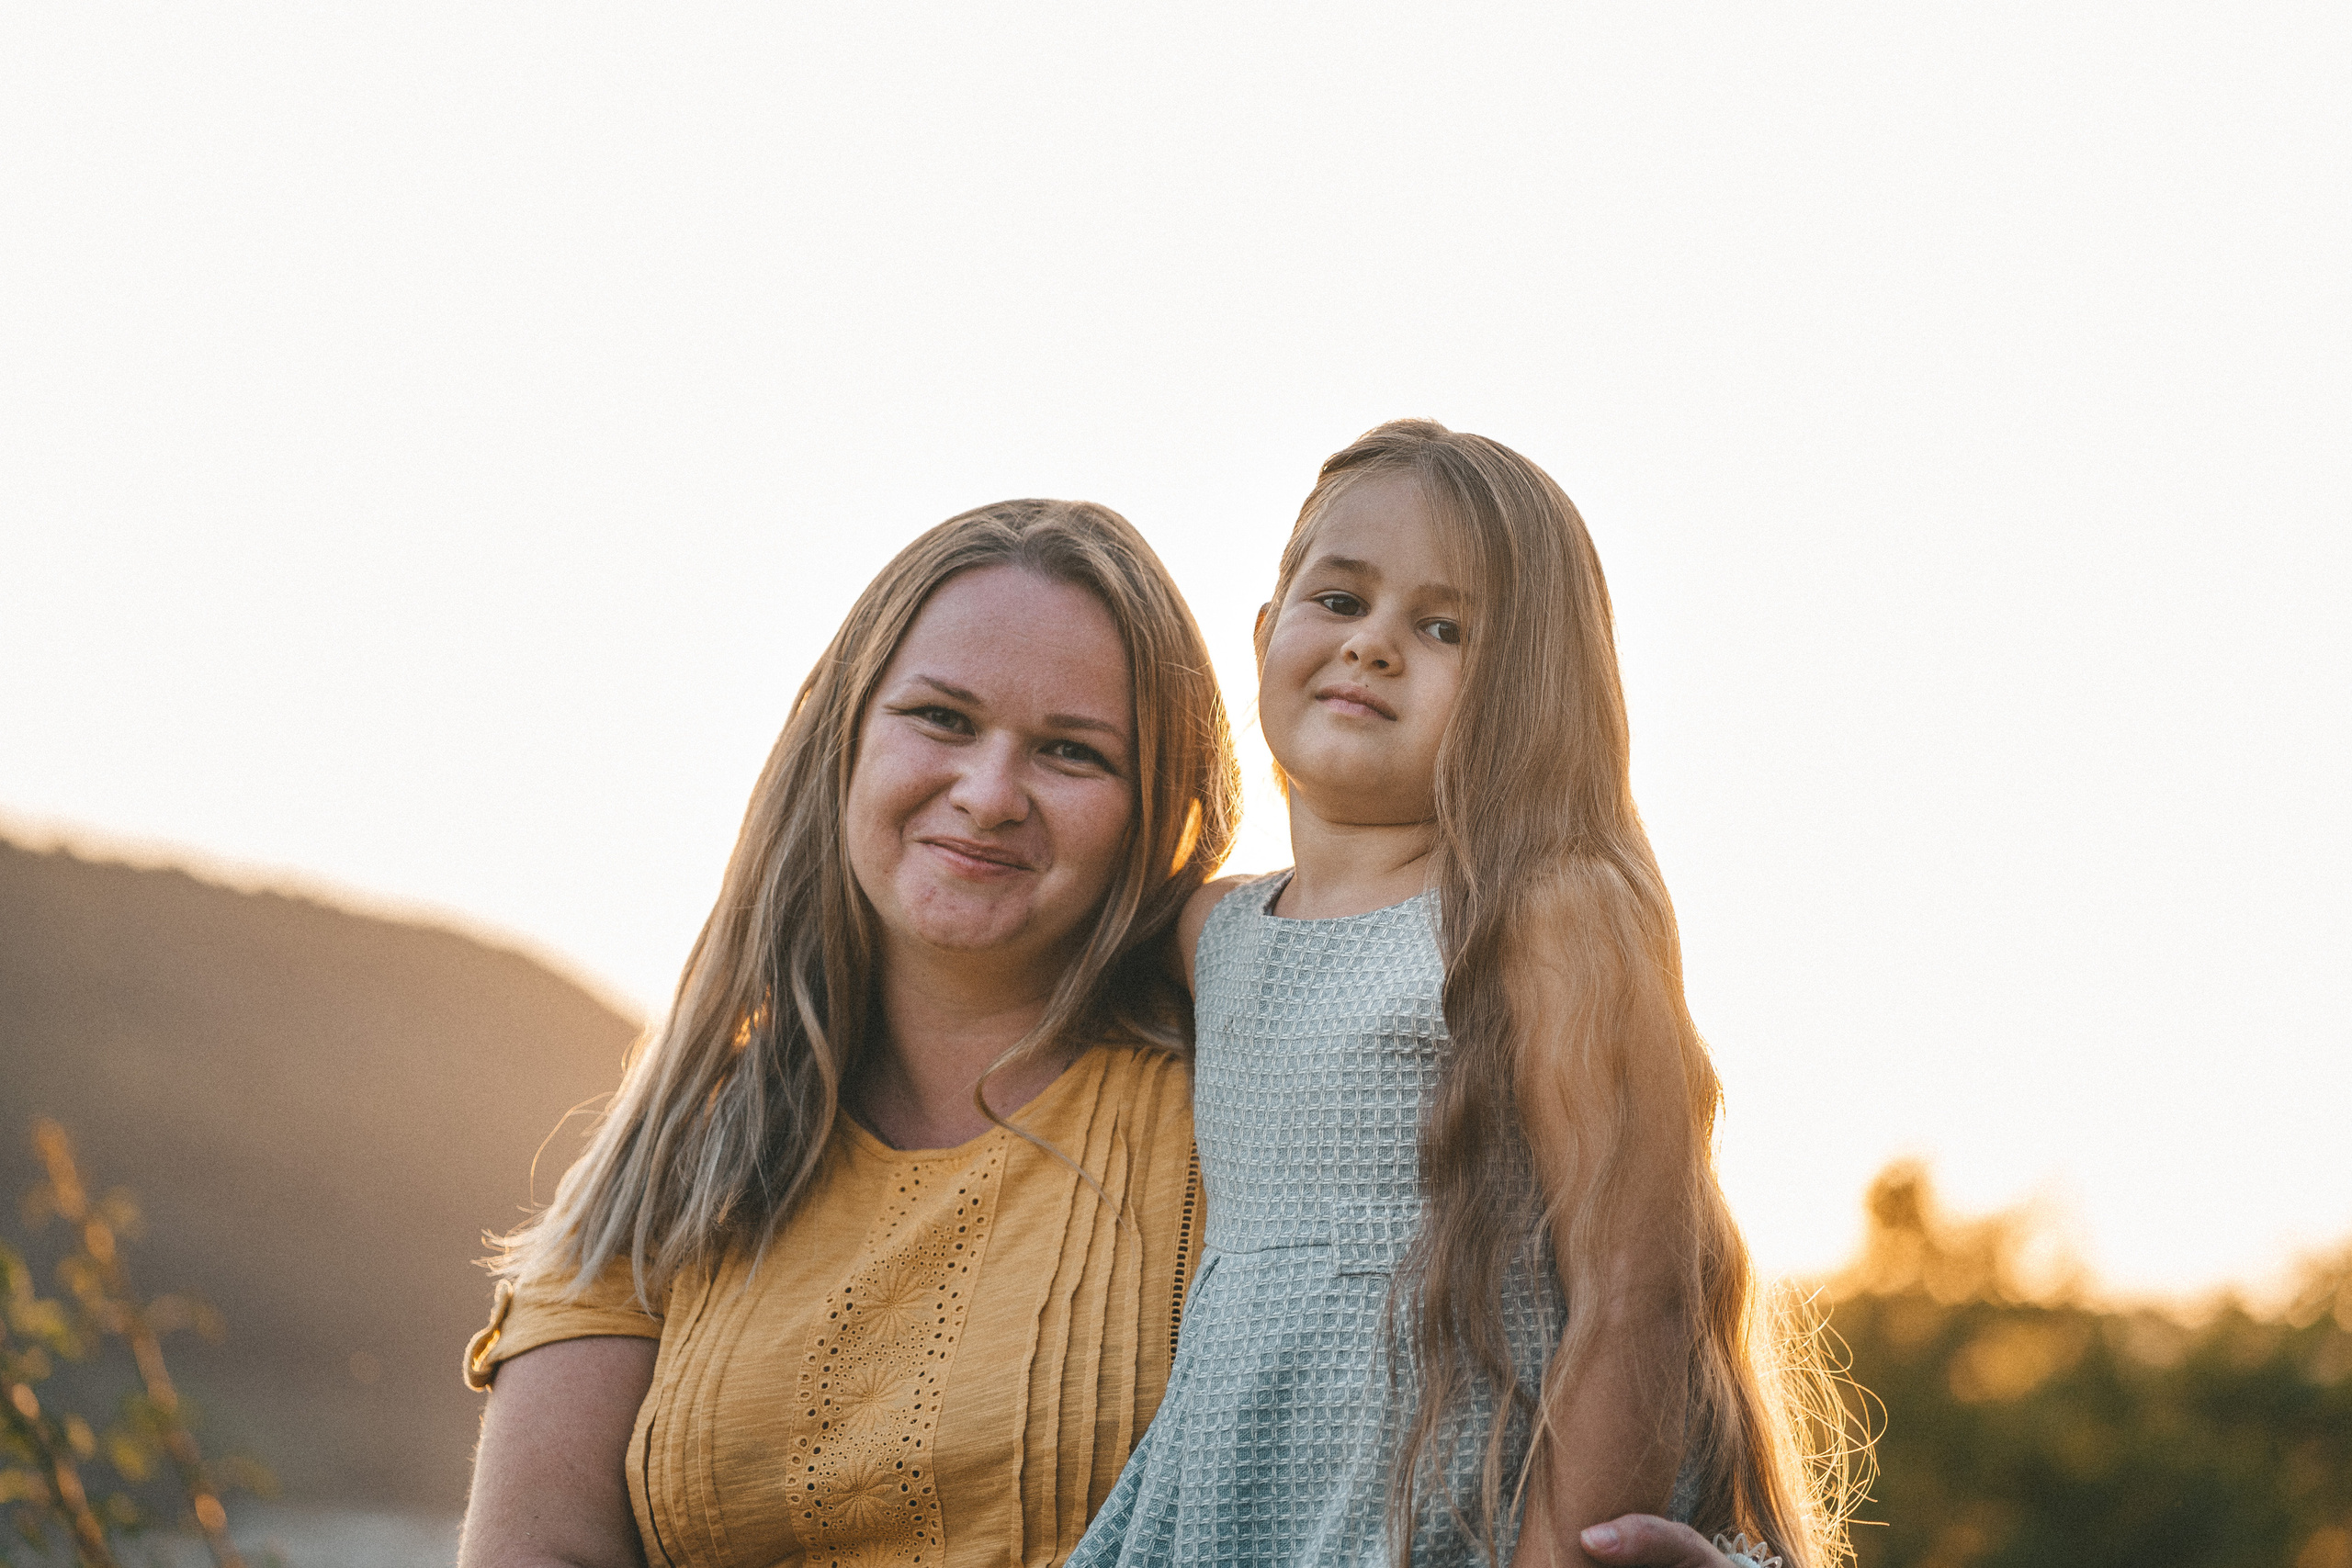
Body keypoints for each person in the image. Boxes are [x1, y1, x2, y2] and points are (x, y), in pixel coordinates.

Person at [1065, 422, 1856, 1568]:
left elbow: (1635, 1292)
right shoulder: (1207, 933)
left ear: (1532, 693)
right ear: (1265, 633)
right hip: (1230, 1503)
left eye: (1443, 628)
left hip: (1458, 1509)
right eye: (1340, 600)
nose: (1373, 644)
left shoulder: (1548, 916)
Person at [457, 499, 1242, 1568]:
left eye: (1071, 751)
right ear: (844, 737)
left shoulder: (1241, 1098)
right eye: (943, 719)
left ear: (1157, 802)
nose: (989, 795)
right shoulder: (677, 1161)